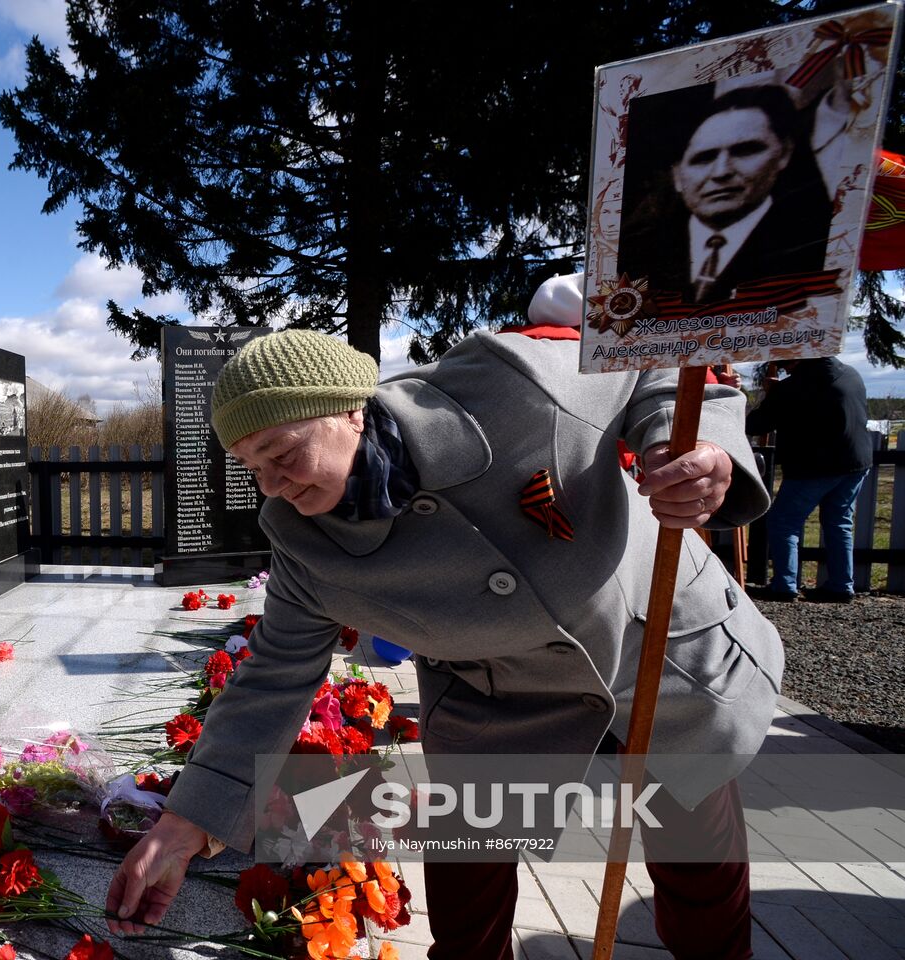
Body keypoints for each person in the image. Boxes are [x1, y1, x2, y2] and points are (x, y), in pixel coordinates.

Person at [106, 329, 784, 959]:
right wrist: (187, 820)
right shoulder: (303, 543)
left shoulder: (507, 383)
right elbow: (273, 676)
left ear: (352, 412)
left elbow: (649, 359)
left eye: (282, 453)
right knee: (467, 905)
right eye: (252, 468)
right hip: (499, 695)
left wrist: (692, 448)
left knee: (700, 878)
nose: (274, 485)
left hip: (655, 646)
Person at [618, 84, 831, 304]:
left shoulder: (816, 246)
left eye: (745, 151)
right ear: (677, 176)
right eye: (703, 158)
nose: (721, 172)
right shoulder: (634, 256)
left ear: (784, 153)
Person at [745, 357, 873, 602]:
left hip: (815, 466)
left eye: (786, 366)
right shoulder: (852, 374)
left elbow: (757, 424)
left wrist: (770, 395)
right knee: (839, 523)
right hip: (856, 461)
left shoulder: (791, 388)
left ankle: (784, 585)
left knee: (784, 523)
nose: (785, 370)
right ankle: (841, 586)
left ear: (795, 362)